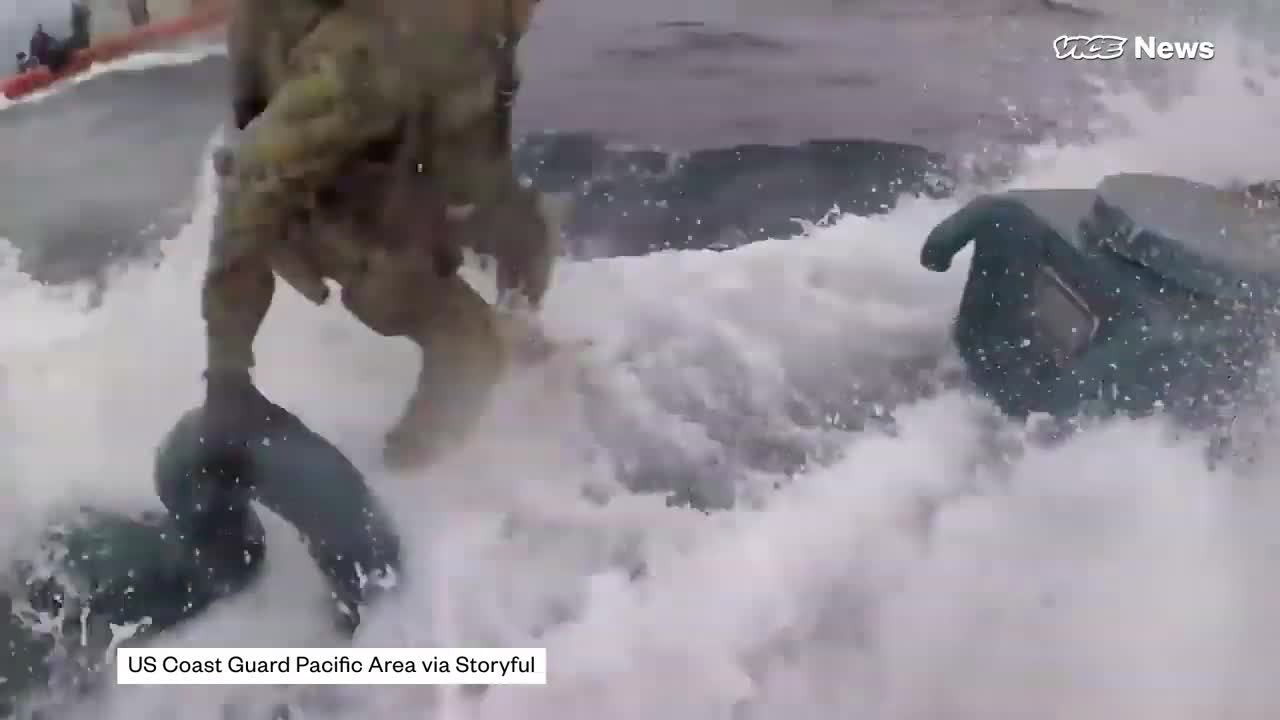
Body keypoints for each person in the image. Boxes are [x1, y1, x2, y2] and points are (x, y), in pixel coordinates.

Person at [205, 0, 563, 469]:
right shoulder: (376, 52)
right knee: (470, 345)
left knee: (530, 231)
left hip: (387, 182)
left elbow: (472, 159)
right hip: (315, 212)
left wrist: (499, 224)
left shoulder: (479, 31)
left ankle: (520, 343)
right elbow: (253, 182)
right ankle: (409, 478)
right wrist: (228, 377)